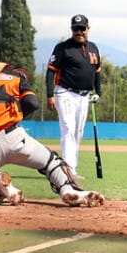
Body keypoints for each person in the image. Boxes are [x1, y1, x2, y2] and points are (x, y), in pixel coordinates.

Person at [0, 38, 105, 208]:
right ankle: (69, 190)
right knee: (52, 162)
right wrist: (9, 118)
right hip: (16, 138)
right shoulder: (12, 73)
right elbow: (32, 103)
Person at [45, 14, 102, 180]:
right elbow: (51, 71)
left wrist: (98, 92)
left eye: (82, 28)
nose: (79, 32)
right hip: (65, 92)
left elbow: (97, 71)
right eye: (75, 28)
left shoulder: (93, 48)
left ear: (88, 29)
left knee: (78, 131)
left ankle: (72, 167)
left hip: (84, 96)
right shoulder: (63, 48)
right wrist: (50, 95)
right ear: (71, 30)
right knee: (68, 129)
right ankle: (69, 169)